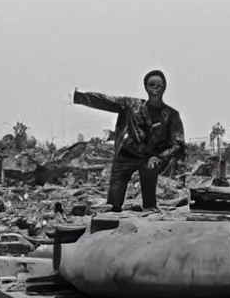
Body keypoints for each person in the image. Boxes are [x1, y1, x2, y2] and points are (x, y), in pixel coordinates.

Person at [72, 70, 185, 212]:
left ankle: (150, 208)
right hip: (127, 154)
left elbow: (178, 144)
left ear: (164, 87)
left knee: (150, 180)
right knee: (113, 203)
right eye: (151, 85)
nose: (155, 88)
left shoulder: (171, 115)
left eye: (158, 85)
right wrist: (80, 97)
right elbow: (106, 101)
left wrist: (160, 157)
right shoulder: (131, 104)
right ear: (146, 87)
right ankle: (113, 211)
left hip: (150, 157)